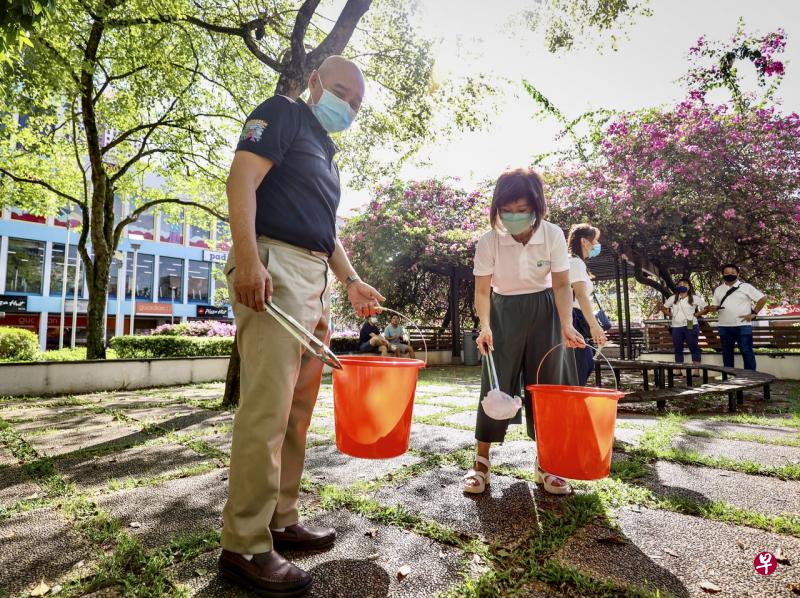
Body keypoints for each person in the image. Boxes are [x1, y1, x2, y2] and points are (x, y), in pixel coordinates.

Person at [219, 56, 385, 596]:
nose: (348, 107)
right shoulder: (283, 113)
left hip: (314, 277)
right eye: (341, 92)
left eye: (356, 102)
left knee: (297, 412)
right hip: (274, 265)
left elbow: (326, 230)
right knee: (266, 409)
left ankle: (281, 519)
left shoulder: (327, 153)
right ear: (315, 82)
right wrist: (248, 260)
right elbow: (241, 178)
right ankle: (243, 544)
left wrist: (352, 281)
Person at [464, 168, 584, 496]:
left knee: (549, 386)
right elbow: (482, 291)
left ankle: (548, 463)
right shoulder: (489, 241)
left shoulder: (553, 234)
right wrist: (485, 325)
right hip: (503, 312)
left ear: (536, 207)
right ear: (497, 209)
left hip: (546, 311)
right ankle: (481, 463)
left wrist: (566, 322)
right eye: (507, 210)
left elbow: (561, 284)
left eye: (522, 210)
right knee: (495, 383)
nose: (514, 216)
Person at [566, 223, 608, 385]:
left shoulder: (575, 263)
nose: (597, 245)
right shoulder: (575, 263)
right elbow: (581, 296)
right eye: (595, 240)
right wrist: (594, 325)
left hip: (576, 318)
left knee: (583, 365)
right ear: (584, 241)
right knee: (581, 367)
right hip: (575, 319)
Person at [708, 264, 766, 371]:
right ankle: (729, 376)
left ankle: (751, 377)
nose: (729, 275)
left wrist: (754, 313)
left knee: (746, 351)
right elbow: (716, 306)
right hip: (724, 326)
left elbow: (762, 298)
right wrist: (713, 308)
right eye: (726, 273)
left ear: (738, 274)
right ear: (722, 274)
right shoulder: (718, 290)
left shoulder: (746, 287)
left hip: (743, 325)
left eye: (733, 273)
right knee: (727, 353)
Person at [660, 278, 709, 367]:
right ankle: (678, 370)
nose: (682, 286)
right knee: (678, 348)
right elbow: (663, 308)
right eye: (680, 285)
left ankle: (696, 370)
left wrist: (697, 314)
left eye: (684, 284)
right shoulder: (672, 298)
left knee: (693, 347)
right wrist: (671, 315)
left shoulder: (694, 298)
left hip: (691, 324)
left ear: (689, 287)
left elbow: (707, 308)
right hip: (676, 326)